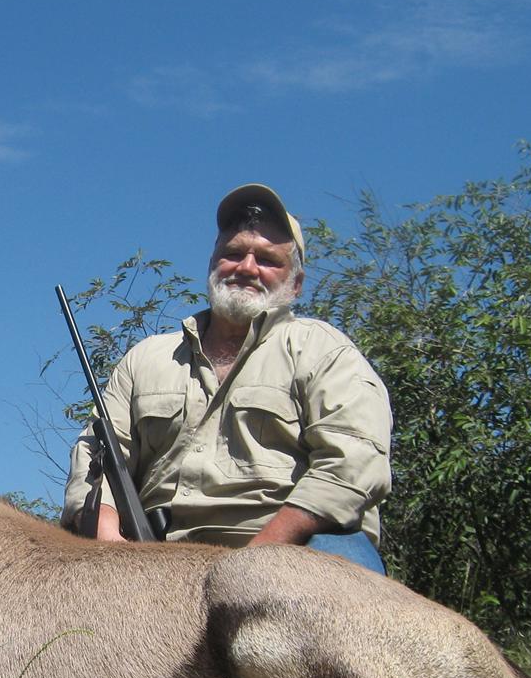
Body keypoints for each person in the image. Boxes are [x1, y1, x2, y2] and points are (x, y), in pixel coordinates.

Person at [62, 184, 391, 573]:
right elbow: (95, 456)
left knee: (346, 570)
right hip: (157, 554)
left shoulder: (323, 350)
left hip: (296, 548)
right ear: (212, 264)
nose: (247, 268)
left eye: (267, 260)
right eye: (233, 254)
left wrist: (255, 559)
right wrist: (108, 537)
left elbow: (354, 463)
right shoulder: (145, 358)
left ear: (296, 283)